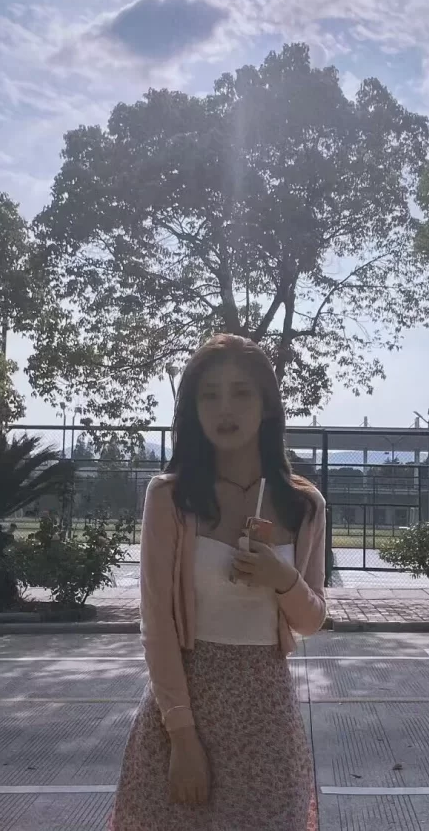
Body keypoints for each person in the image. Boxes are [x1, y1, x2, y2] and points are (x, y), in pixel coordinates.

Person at [109, 333, 326, 831]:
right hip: (184, 712)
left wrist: (282, 578)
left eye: (241, 392)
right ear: (193, 410)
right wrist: (183, 739)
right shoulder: (170, 497)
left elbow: (312, 620)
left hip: (267, 718)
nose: (225, 408)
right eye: (209, 395)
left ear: (267, 406)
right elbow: (157, 624)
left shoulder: (304, 504)